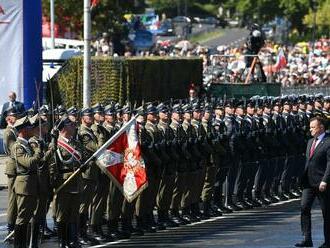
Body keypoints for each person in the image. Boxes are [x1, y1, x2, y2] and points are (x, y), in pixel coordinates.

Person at [295, 116, 330, 248]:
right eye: (310, 127)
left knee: (326, 213)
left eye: (313, 127)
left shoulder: (328, 141)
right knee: (304, 208)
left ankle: (328, 241)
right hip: (309, 183)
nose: (310, 130)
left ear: (321, 127)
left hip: (322, 183)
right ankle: (307, 238)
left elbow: (329, 163)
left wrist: (325, 180)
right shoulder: (310, 141)